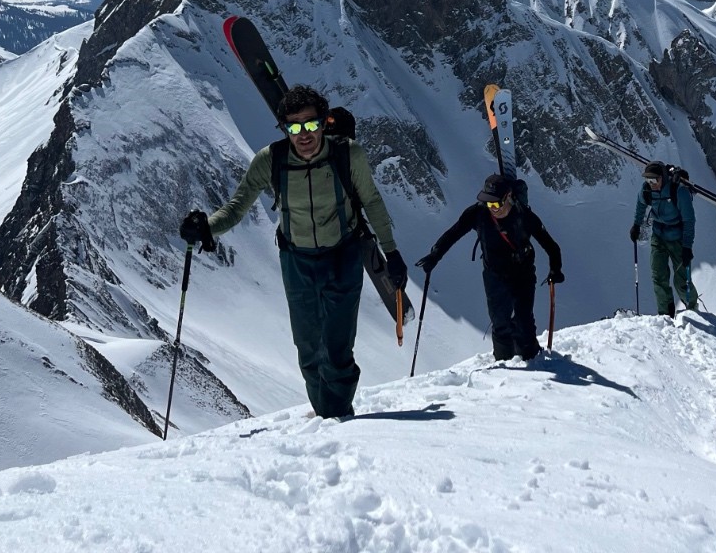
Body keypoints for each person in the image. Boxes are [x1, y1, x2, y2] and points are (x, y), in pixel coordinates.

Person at [179, 85, 408, 420]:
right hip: (297, 260)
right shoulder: (270, 161)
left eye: (310, 124)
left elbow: (371, 201)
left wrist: (393, 253)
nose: (303, 134)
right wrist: (206, 227)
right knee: (308, 349)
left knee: (338, 349)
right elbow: (236, 205)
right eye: (294, 127)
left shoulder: (348, 154)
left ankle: (339, 415)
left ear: (323, 123)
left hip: (343, 255)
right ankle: (326, 413)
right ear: (284, 128)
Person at [416, 173, 562, 361]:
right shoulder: (478, 213)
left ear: (508, 197)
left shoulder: (524, 216)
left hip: (523, 274)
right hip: (495, 275)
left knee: (524, 320)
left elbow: (551, 245)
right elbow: (453, 233)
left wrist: (555, 270)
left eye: (496, 204)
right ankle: (503, 364)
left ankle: (532, 360)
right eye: (488, 203)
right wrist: (434, 256)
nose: (492, 208)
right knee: (500, 323)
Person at [630, 160, 696, 314]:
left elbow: (689, 221)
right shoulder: (647, 190)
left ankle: (692, 309)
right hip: (658, 236)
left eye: (654, 180)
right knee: (658, 276)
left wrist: (687, 247)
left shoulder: (678, 191)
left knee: (681, 281)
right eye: (648, 180)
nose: (651, 183)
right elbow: (640, 205)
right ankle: (665, 313)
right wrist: (636, 225)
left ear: (663, 178)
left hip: (677, 239)